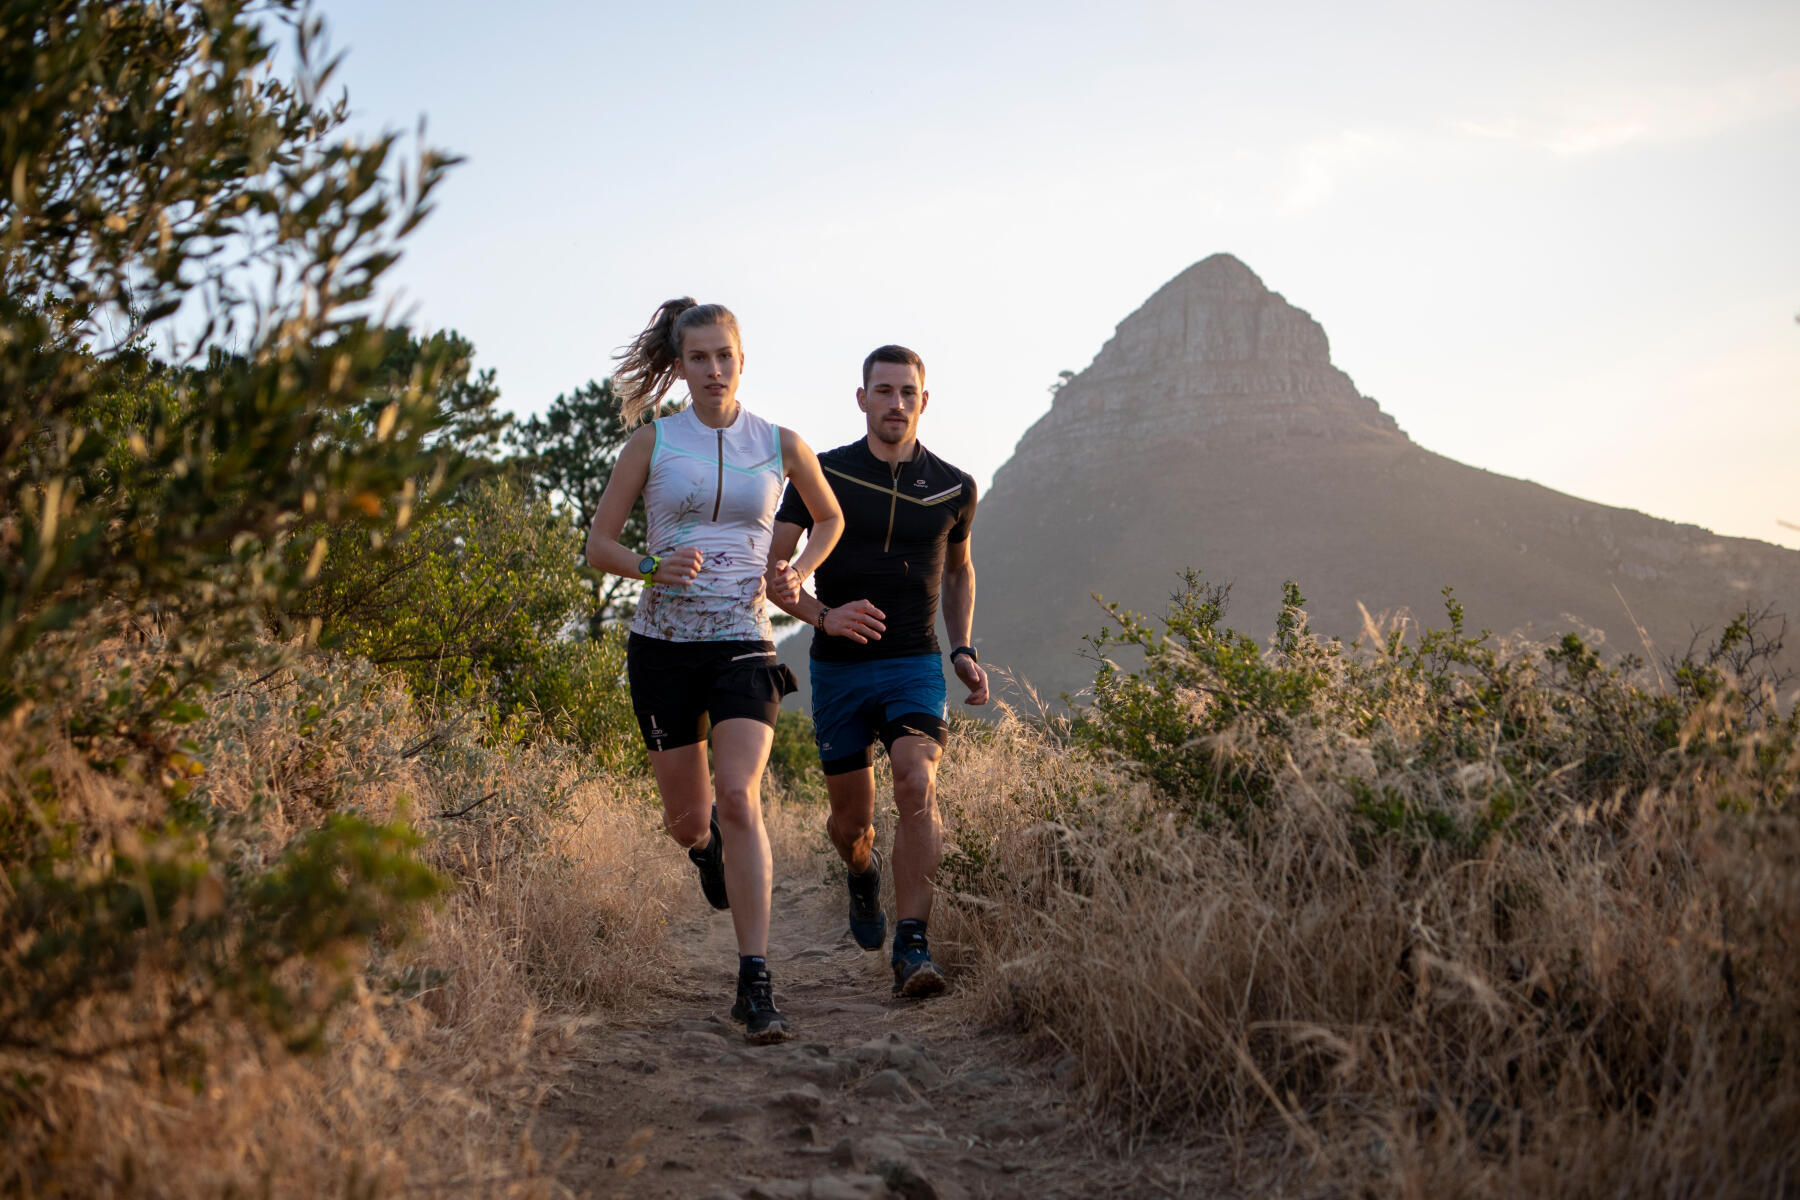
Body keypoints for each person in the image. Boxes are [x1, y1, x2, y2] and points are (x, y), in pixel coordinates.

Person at [585, 298, 843, 1043]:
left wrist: (795, 573)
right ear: (681, 363)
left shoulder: (782, 444)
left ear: (742, 358)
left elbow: (828, 519)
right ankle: (706, 854)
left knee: (739, 796)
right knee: (690, 822)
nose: (713, 370)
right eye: (698, 357)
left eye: (723, 355)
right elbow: (600, 545)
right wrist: (650, 566)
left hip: (743, 638)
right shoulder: (653, 444)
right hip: (663, 643)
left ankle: (755, 982)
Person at [765, 344, 986, 998]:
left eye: (906, 392)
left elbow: (959, 569)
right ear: (861, 399)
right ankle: (861, 877)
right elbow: (774, 572)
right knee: (850, 826)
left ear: (923, 400)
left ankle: (912, 947)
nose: (895, 404)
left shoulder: (954, 487)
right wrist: (823, 615)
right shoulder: (821, 474)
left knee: (917, 783)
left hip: (914, 663)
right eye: (883, 391)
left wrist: (963, 648)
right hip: (837, 670)